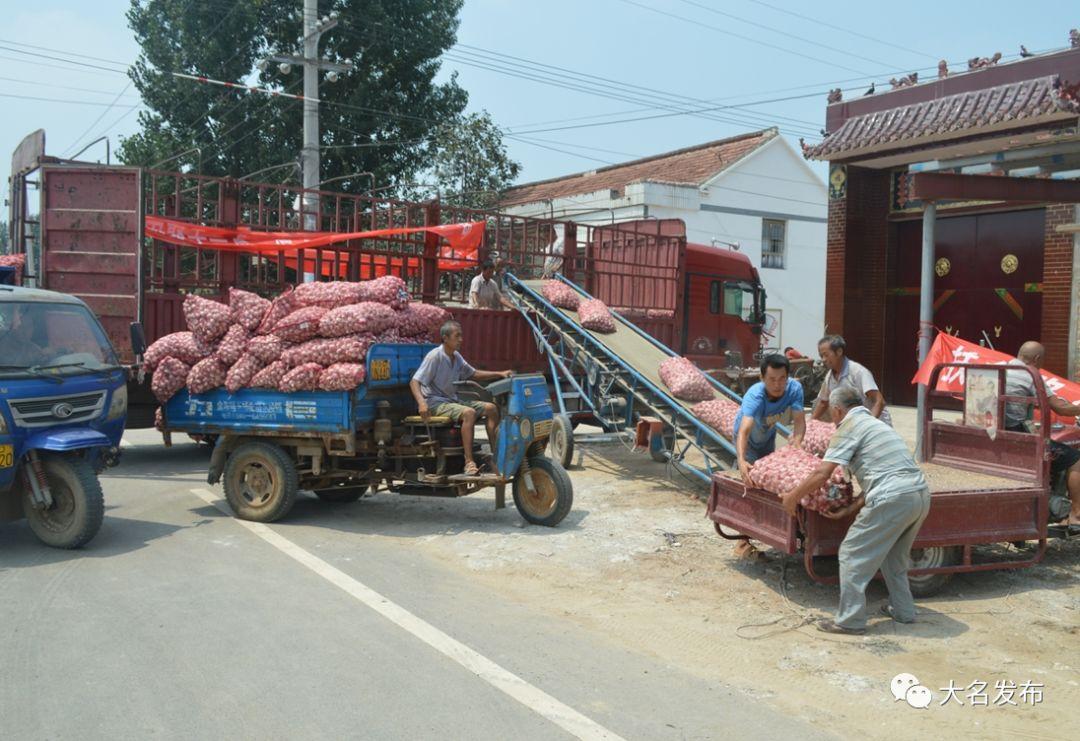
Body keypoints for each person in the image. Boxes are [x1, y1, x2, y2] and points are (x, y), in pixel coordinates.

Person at [781, 386, 932, 635]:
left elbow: (822, 473)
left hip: (892, 496)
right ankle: (904, 612)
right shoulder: (877, 425)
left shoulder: (848, 427)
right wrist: (849, 508)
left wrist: (792, 497)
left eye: (831, 412)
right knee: (894, 558)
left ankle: (850, 620)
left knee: (851, 553)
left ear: (838, 410)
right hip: (919, 495)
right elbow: (879, 472)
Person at [409, 320, 512, 476]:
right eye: (457, 336)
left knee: (491, 408)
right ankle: (469, 462)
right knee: (468, 413)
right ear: (445, 337)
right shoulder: (435, 356)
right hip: (435, 402)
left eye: (461, 336)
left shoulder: (456, 357)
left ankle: (496, 456)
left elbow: (473, 373)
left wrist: (500, 373)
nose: (461, 340)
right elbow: (414, 381)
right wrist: (422, 403)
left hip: (451, 401)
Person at [1005, 341, 1080, 532]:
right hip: (1019, 438)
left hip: (999, 434)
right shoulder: (1031, 375)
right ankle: (1076, 515)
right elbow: (1061, 408)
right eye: (1042, 361)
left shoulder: (1003, 368)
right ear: (1037, 359)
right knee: (1075, 459)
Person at [735, 353, 807, 486]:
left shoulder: (794, 389)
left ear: (787, 377)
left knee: (767, 475)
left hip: (768, 435)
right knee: (749, 476)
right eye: (772, 379)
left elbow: (799, 421)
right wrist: (741, 460)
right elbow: (744, 431)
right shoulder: (755, 395)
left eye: (782, 378)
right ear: (762, 378)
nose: (777, 384)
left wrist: (797, 443)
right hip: (748, 439)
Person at [812, 334, 892, 426]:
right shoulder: (829, 377)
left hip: (876, 425)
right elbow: (823, 403)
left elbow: (879, 401)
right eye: (821, 356)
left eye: (826, 355)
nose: (823, 359)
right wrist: (810, 423)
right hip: (854, 426)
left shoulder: (858, 372)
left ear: (839, 352)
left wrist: (869, 425)